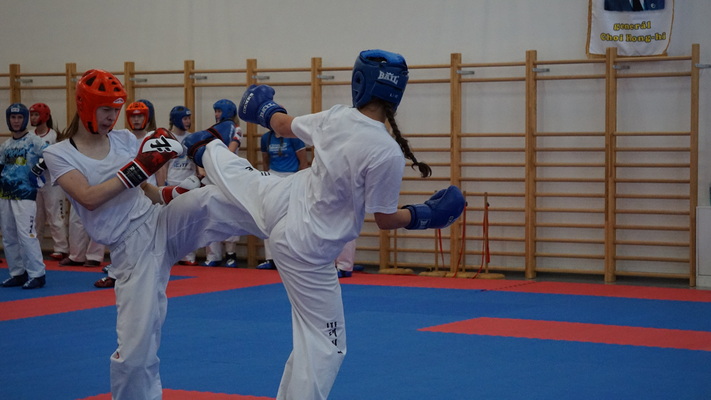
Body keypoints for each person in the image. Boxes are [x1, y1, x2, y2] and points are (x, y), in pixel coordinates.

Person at [183, 49, 465, 400]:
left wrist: (264, 108)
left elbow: (282, 126)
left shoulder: (337, 117)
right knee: (323, 347)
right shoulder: (386, 152)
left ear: (359, 83)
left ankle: (207, 149)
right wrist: (427, 215)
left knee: (249, 183)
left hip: (285, 197)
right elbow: (385, 219)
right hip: (308, 244)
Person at [43, 69, 237, 399]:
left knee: (221, 200)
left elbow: (146, 188)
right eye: (105, 109)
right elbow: (88, 197)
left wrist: (170, 193)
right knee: (137, 349)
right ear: (85, 106)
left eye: (115, 109)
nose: (112, 117)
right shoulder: (59, 153)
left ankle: (294, 205)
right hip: (130, 248)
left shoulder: (123, 139)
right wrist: (139, 168)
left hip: (159, 220)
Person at [94, 101, 155, 288]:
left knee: (145, 236)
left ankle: (139, 272)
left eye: (140, 116)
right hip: (125, 191)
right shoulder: (120, 138)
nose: (136, 120)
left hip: (148, 189)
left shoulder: (152, 137)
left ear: (147, 117)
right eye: (133, 116)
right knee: (120, 234)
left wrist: (161, 188)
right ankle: (116, 271)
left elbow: (161, 166)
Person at [0, 103, 49, 289]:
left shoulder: (34, 141)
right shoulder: (5, 145)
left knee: (27, 235)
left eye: (20, 117)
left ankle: (37, 274)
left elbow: (52, 155)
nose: (16, 121)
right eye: (13, 117)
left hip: (25, 194)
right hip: (5, 194)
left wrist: (37, 169)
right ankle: (17, 273)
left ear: (25, 119)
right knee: (8, 236)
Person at [255, 127, 309, 270]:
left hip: (291, 177)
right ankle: (270, 258)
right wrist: (267, 180)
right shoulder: (266, 138)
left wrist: (302, 184)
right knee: (268, 216)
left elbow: (303, 162)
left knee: (294, 219)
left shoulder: (294, 137)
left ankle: (295, 257)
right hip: (273, 177)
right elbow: (265, 161)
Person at [155, 105, 199, 266]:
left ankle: (188, 256)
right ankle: (167, 255)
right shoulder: (167, 139)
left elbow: (197, 163)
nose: (188, 121)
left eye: (189, 118)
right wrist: (161, 187)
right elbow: (162, 165)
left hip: (189, 185)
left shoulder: (193, 138)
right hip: (172, 184)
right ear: (175, 120)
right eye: (185, 118)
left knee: (189, 223)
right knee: (168, 223)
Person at [202, 99, 243, 267]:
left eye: (219, 111)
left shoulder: (236, 129)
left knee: (230, 214)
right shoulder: (212, 130)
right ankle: (213, 255)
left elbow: (229, 150)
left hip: (229, 176)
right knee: (212, 214)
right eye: (216, 111)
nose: (216, 114)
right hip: (213, 175)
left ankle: (231, 254)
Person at [29, 102, 69, 261]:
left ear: (45, 116)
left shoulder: (54, 136)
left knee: (56, 215)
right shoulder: (29, 136)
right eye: (32, 115)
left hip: (52, 182)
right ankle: (35, 247)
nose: (33, 118)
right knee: (35, 217)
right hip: (33, 182)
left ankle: (61, 248)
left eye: (36, 114)